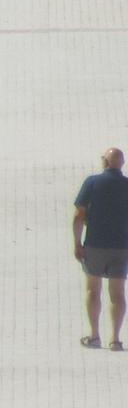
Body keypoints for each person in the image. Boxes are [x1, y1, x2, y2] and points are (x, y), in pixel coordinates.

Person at [73, 147, 128, 349]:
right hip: (122, 247)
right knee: (118, 293)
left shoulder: (92, 182)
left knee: (93, 289)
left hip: (95, 244)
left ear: (105, 162)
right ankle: (115, 338)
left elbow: (79, 216)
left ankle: (95, 335)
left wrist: (77, 243)